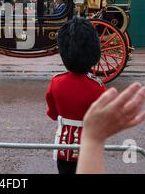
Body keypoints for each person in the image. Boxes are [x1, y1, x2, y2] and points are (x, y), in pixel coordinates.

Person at [46, 17, 105, 174]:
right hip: (89, 147)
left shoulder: (56, 82)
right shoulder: (97, 87)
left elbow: (52, 114)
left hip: (63, 147)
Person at [76, 82, 145, 174]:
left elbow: (53, 114)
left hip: (64, 142)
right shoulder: (96, 85)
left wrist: (93, 139)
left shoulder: (56, 82)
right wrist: (94, 139)